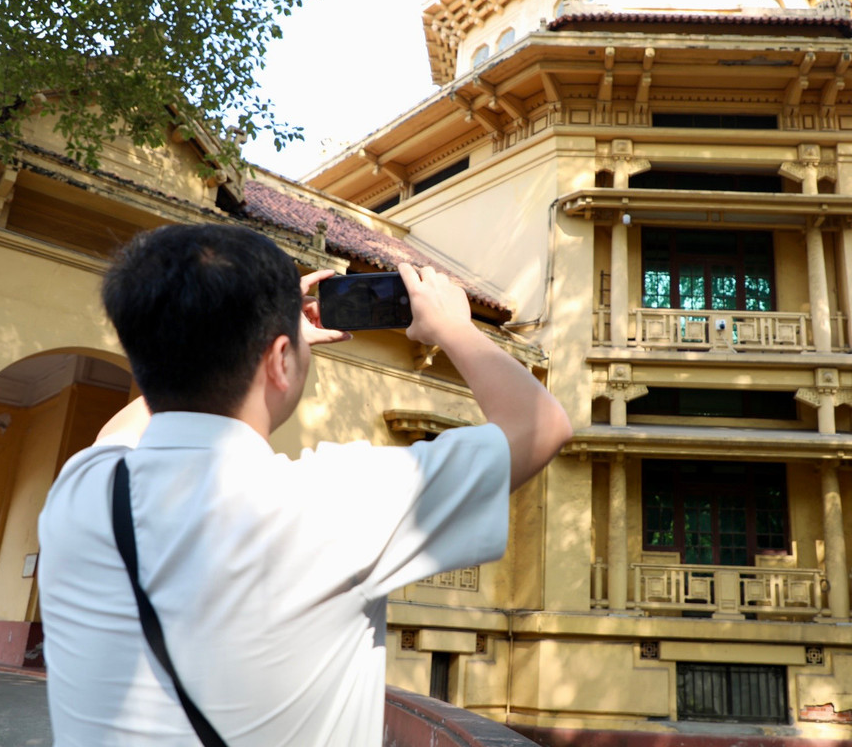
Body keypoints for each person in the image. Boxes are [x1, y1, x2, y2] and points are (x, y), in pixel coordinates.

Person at [37, 223, 572, 746]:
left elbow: (120, 432)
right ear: (280, 359)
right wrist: (455, 328)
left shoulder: (83, 491)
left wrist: (238, 335)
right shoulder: (335, 500)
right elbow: (542, 426)